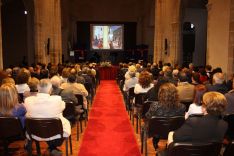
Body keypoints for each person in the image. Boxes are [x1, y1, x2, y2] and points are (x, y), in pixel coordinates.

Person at [24, 79, 71, 155]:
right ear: (50, 90)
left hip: (35, 133)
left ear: (38, 89)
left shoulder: (28, 100)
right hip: (56, 133)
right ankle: (52, 147)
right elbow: (63, 107)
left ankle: (52, 147)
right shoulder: (57, 99)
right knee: (66, 123)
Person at [145, 83, 186, 150]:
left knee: (155, 125)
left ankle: (155, 141)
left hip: (157, 131)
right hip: (174, 131)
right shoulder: (182, 107)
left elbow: (148, 116)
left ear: (160, 94)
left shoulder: (154, 105)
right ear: (176, 94)